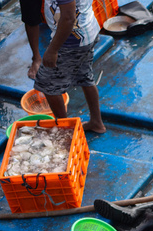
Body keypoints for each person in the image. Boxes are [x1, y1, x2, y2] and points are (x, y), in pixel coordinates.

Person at [23, 0, 106, 133]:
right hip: (87, 32)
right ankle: (97, 123)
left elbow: (68, 18)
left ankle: (65, 131)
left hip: (72, 42)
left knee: (47, 84)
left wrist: (53, 50)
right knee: (85, 77)